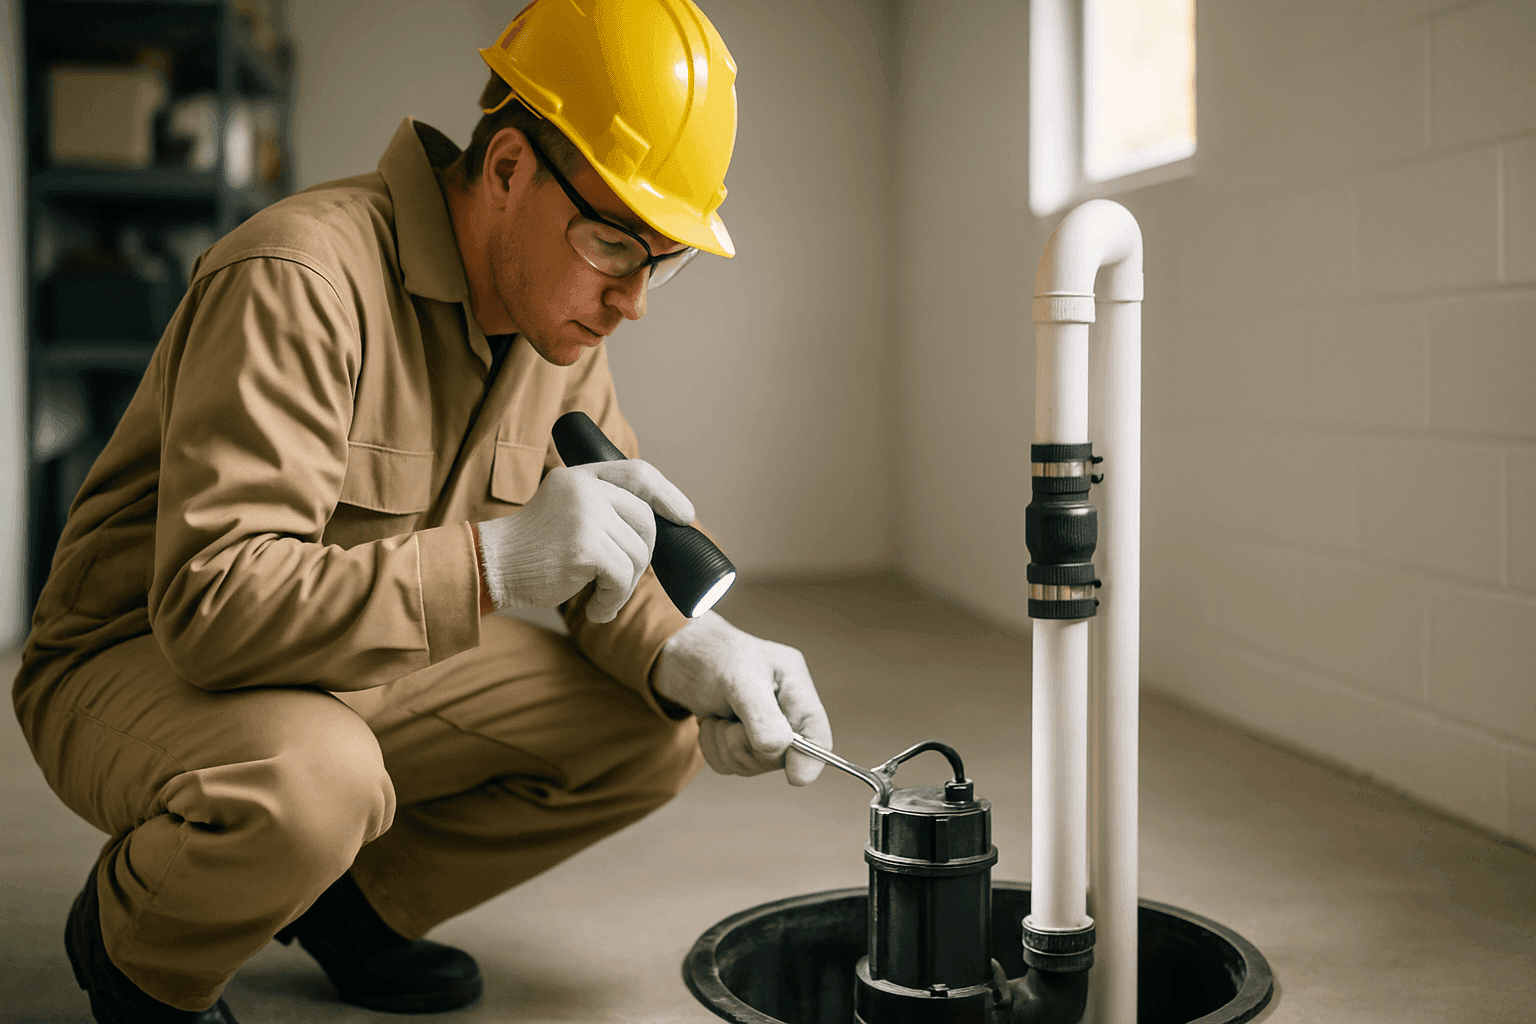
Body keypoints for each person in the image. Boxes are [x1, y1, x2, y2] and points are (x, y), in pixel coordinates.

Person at [11, 2, 834, 1021]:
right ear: (504, 169)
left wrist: (693, 652)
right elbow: (213, 608)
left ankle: (354, 910)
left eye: (661, 257)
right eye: (615, 242)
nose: (636, 300)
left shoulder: (556, 325)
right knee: (318, 783)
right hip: (143, 657)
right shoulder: (298, 278)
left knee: (651, 723)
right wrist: (493, 562)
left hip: (353, 663)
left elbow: (605, 554)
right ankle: (138, 952)